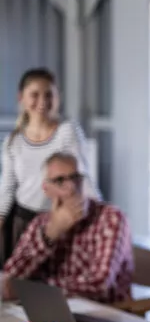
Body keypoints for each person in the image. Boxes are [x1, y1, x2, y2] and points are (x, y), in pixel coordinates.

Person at [1, 152, 132, 304]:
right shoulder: (40, 223)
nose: (71, 187)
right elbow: (9, 280)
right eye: (60, 180)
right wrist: (50, 234)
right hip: (54, 310)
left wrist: (35, 289)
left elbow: (99, 284)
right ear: (46, 189)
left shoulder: (111, 218)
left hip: (106, 314)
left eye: (76, 177)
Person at [0, 68, 100, 264]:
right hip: (22, 223)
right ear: (21, 97)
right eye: (34, 95)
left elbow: (83, 177)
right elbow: (7, 187)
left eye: (49, 94)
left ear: (58, 97)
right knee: (21, 286)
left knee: (55, 284)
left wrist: (101, 215)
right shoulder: (13, 141)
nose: (43, 101)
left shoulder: (67, 131)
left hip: (58, 220)